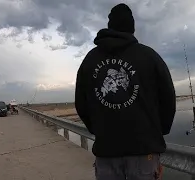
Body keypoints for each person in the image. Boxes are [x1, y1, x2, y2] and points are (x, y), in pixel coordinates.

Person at [75, 3, 176, 180]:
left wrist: (99, 130)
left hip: (106, 152)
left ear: (110, 25)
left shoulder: (90, 60)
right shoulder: (149, 56)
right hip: (145, 152)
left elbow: (81, 104)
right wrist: (158, 132)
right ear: (132, 27)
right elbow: (168, 100)